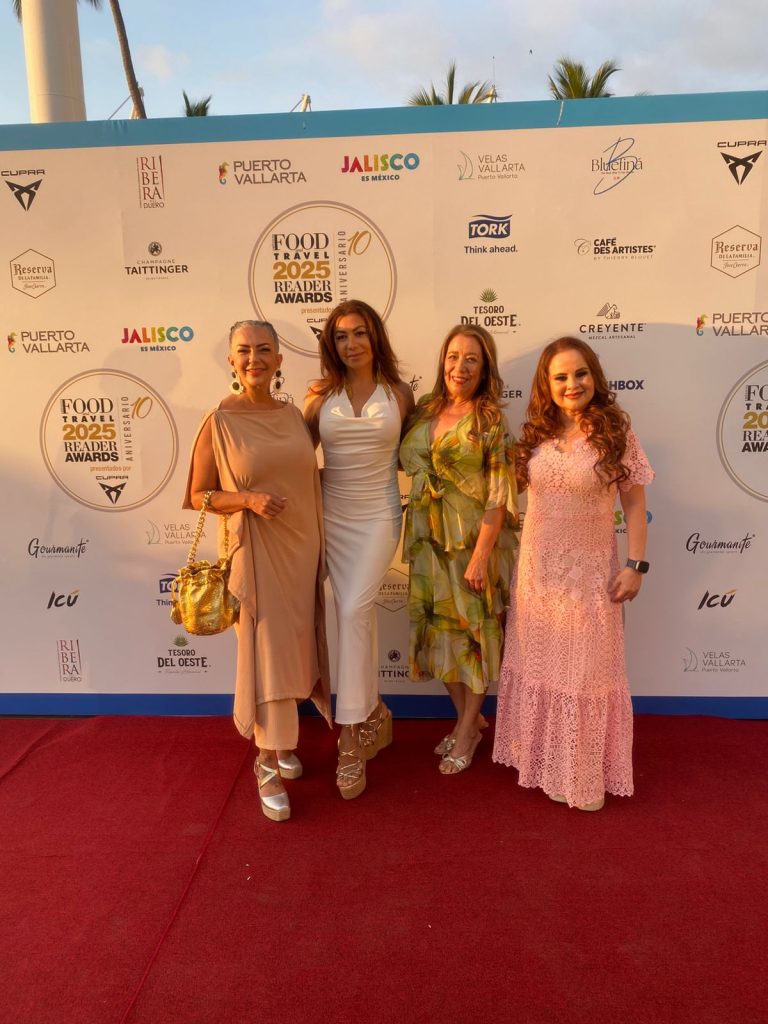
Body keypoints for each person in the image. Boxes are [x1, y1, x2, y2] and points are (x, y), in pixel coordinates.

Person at [492, 337, 654, 811]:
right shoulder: (536, 433)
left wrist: (636, 565)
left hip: (589, 577)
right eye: (560, 376)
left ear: (594, 376)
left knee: (583, 675)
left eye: (580, 373)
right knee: (541, 667)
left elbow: (635, 504)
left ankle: (581, 773)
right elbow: (504, 490)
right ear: (546, 384)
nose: (571, 384)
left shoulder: (615, 431)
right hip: (537, 575)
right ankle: (543, 763)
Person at [184, 319, 331, 823]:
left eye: (264, 350)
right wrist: (247, 499)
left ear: (279, 360)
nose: (255, 359)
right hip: (256, 552)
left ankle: (283, 740)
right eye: (244, 351)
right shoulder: (219, 420)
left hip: (301, 550)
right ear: (231, 360)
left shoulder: (294, 416)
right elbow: (197, 495)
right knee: (267, 653)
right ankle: (266, 762)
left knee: (296, 649)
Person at [304, 299, 414, 800]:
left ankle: (350, 738)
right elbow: (296, 456)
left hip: (378, 517)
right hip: (330, 517)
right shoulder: (319, 397)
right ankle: (375, 712)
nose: (352, 344)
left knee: (351, 609)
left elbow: (421, 452)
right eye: (341, 336)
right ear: (332, 344)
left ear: (376, 337)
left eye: (360, 333)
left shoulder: (400, 394)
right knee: (352, 616)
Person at [399, 324, 517, 774]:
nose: (460, 367)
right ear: (442, 362)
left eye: (471, 359)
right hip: (427, 542)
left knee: (474, 638)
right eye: (453, 357)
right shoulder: (424, 409)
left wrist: (482, 555)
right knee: (440, 635)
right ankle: (469, 718)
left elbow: (499, 495)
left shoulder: (489, 420)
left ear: (484, 368)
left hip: (471, 541)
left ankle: (467, 729)